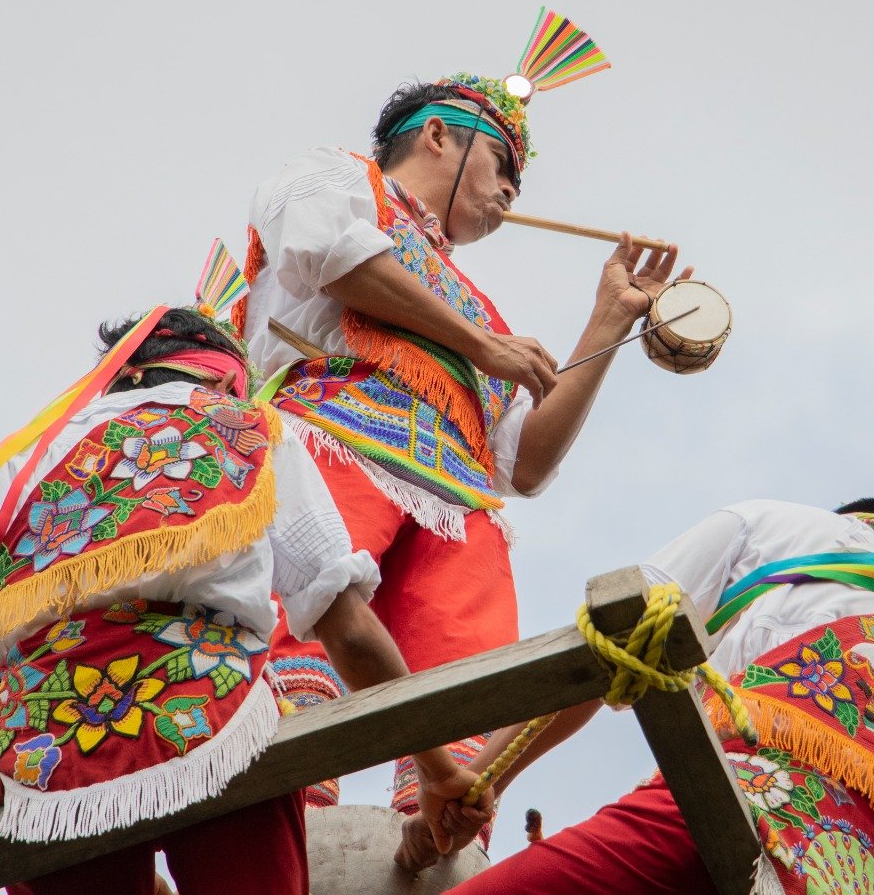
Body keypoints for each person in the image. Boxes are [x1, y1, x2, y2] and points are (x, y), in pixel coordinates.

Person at [238, 68, 692, 827]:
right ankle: (291, 832)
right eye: (503, 163)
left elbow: (524, 463)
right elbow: (333, 258)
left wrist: (608, 320)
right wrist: (481, 347)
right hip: (332, 442)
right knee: (305, 646)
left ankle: (435, 840)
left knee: (467, 695)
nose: (513, 189)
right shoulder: (335, 176)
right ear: (439, 134)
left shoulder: (478, 308)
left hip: (455, 507)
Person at [0, 307, 493, 895]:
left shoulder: (12, 469)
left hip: (44, 755)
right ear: (218, 378)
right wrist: (437, 770)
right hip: (209, 721)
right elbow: (350, 630)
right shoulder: (250, 429)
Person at [430, 498, 874, 894]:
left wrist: (480, 778)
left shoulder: (779, 527)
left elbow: (617, 641)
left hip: (731, 812)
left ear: (850, 522)